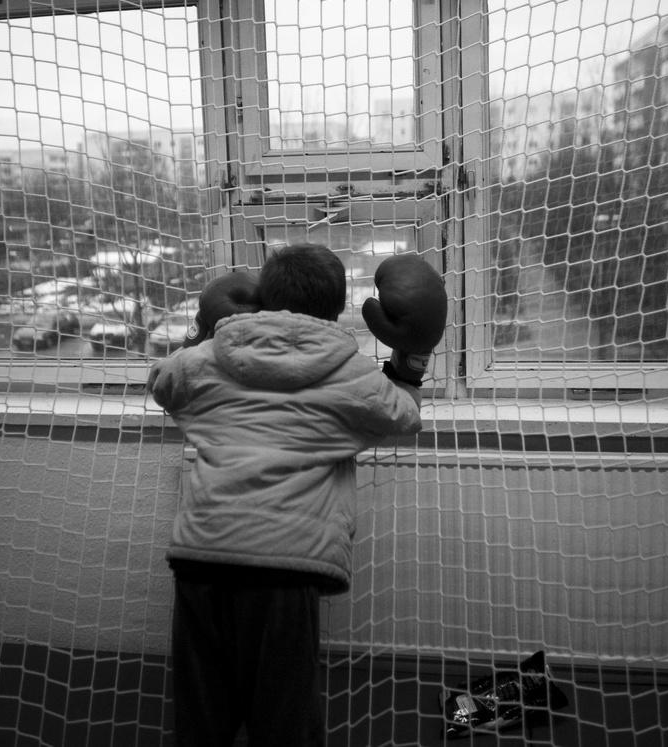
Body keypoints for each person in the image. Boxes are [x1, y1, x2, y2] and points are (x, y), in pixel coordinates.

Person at [147, 244, 447, 747]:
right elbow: (405, 414)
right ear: (335, 309)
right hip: (288, 566)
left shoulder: (210, 355)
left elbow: (162, 383)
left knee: (202, 716)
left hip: (202, 555)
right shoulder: (352, 372)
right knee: (283, 720)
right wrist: (412, 357)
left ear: (265, 299)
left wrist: (202, 329)